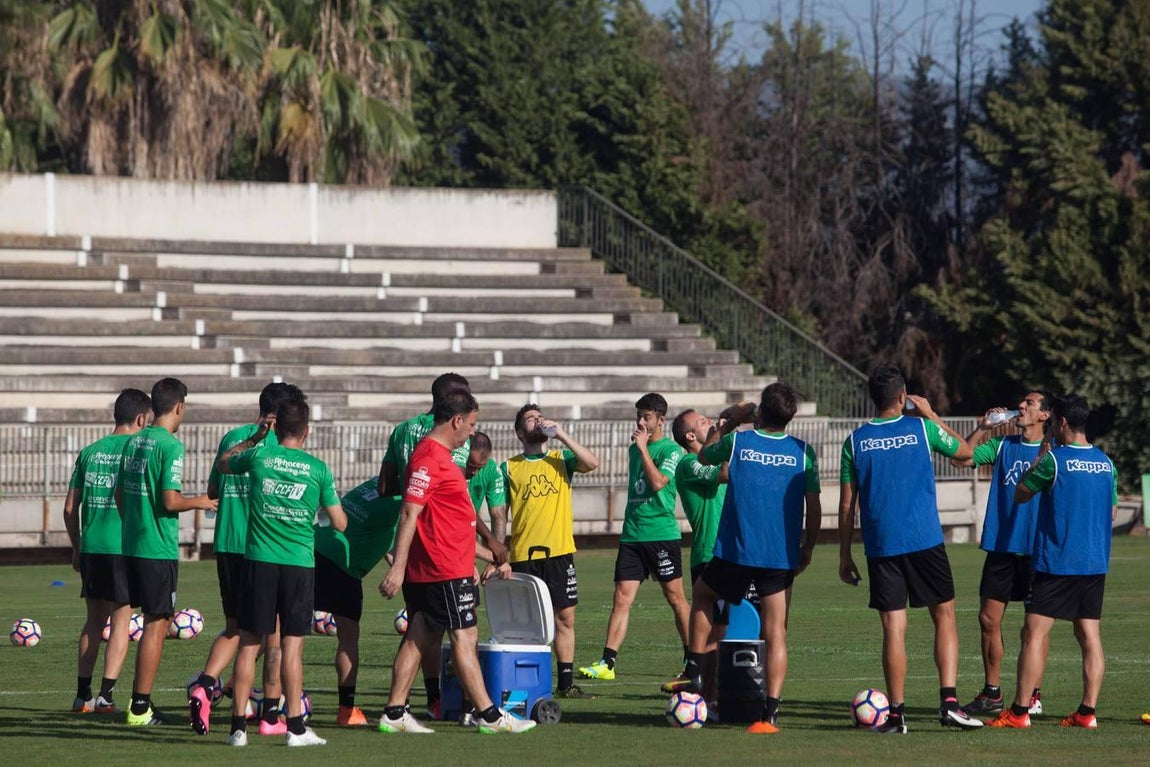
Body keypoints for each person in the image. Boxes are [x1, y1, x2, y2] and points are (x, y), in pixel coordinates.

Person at [377, 391, 534, 735]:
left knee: (419, 635)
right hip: (443, 567)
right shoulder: (429, 457)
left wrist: (488, 547)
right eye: (471, 424)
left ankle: (393, 712)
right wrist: (398, 566)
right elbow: (410, 511)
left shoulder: (439, 456)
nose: (471, 433)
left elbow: (452, 515)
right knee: (465, 636)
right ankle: (489, 716)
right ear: (457, 420)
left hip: (446, 563)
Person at [838, 365, 983, 733]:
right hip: (924, 540)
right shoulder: (922, 427)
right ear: (903, 397)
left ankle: (897, 714)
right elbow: (966, 453)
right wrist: (932, 414)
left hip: (881, 545)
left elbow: (846, 505)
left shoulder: (854, 442)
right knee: (944, 616)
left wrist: (844, 555)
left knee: (893, 629)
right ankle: (949, 703)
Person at [681, 384, 821, 733]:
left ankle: (695, 672)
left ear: (760, 411)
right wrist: (808, 549)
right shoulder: (804, 453)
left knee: (702, 594)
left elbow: (704, 456)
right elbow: (814, 508)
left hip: (737, 550)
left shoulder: (739, 441)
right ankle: (770, 713)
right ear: (791, 416)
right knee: (776, 633)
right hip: (779, 554)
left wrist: (728, 423)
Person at [216, 397, 348, 747]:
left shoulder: (260, 456)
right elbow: (340, 522)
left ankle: (237, 730)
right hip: (298, 565)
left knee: (248, 644)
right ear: (306, 430)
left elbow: (224, 463)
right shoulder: (317, 469)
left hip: (259, 561)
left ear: (274, 427)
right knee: (292, 647)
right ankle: (295, 729)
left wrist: (256, 438)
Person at [989, 395, 1117, 729]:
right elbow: (1113, 511)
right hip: (1094, 563)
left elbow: (1021, 493)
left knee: (1033, 635)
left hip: (1057, 562)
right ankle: (1087, 713)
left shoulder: (1054, 461)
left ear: (1059, 422)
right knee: (1090, 636)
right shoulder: (1106, 463)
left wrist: (1040, 458)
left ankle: (1018, 713)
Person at [188, 382, 301, 736]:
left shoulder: (233, 437)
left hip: (225, 542)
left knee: (237, 626)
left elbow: (212, 490)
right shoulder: (278, 447)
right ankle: (270, 712)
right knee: (272, 633)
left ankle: (208, 685)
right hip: (260, 547)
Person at [115, 377, 217, 726]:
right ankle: (140, 707)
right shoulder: (170, 446)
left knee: (135, 620)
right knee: (156, 624)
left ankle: (128, 700)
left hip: (130, 544)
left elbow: (119, 496)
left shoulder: (132, 442)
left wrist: (134, 520)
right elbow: (170, 500)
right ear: (179, 407)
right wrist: (200, 501)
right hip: (156, 548)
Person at [951, 391, 1053, 716]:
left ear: (1045, 416)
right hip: (1001, 547)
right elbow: (960, 458)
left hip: (1038, 551)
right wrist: (983, 427)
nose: (1021, 406)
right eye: (1021, 402)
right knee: (987, 620)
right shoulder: (1002, 446)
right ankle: (991, 693)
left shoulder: (1052, 452)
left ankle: (1033, 695)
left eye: (1030, 403)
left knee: (1033, 628)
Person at [580, 392, 688, 681]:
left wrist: (642, 448)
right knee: (621, 598)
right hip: (632, 535)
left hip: (661, 534)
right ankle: (607, 663)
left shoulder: (671, 451)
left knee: (675, 598)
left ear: (661, 420)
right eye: (639, 416)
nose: (641, 422)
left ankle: (694, 659)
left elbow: (657, 484)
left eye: (647, 417)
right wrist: (639, 448)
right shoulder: (633, 450)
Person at [501, 405, 600, 699]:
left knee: (565, 618)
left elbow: (592, 463)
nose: (538, 421)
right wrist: (501, 557)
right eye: (531, 419)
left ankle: (566, 683)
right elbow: (500, 514)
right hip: (523, 556)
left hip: (559, 553)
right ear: (520, 432)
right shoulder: (509, 467)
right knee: (526, 624)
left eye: (540, 417)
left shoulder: (560, 459)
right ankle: (524, 684)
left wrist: (562, 435)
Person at [63, 387, 151, 715]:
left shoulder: (90, 452)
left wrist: (77, 547)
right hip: (122, 546)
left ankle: (81, 696)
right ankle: (106, 696)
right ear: (141, 418)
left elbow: (70, 508)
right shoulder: (137, 450)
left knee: (92, 622)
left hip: (93, 546)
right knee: (120, 620)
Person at [313, 478, 403, 726]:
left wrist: (396, 567)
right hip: (344, 565)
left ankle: (242, 691)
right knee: (348, 636)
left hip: (312, 549)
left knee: (279, 628)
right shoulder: (404, 500)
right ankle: (346, 711)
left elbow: (377, 532)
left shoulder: (376, 483)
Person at [658, 405, 733, 701]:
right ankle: (703, 687)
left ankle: (711, 693)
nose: (710, 422)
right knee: (716, 632)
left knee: (724, 632)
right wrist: (724, 432)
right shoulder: (687, 464)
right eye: (703, 422)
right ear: (690, 435)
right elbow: (725, 472)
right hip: (708, 554)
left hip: (731, 552)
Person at [466, 431, 508, 559]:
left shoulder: (492, 470)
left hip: (468, 534)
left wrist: (497, 551)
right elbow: (464, 512)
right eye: (471, 466)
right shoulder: (452, 466)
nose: (475, 473)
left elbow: (498, 515)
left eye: (480, 467)